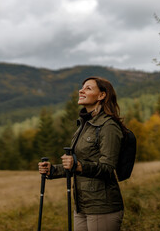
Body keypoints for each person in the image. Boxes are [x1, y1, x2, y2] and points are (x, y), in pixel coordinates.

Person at [39, 76, 126, 231]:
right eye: (82, 87)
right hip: (82, 205)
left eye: (88, 88)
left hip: (102, 206)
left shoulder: (108, 126)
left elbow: (107, 167)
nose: (81, 90)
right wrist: (53, 170)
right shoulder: (84, 125)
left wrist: (78, 166)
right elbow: (77, 162)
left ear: (101, 96)